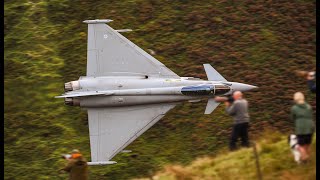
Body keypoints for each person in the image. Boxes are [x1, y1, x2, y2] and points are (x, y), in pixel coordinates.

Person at [290, 92, 314, 163]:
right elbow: (311, 116)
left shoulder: (294, 108)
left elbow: (292, 118)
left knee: (301, 146)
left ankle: (304, 159)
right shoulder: (309, 107)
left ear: (295, 99)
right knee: (308, 144)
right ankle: (308, 160)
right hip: (310, 128)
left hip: (301, 129)